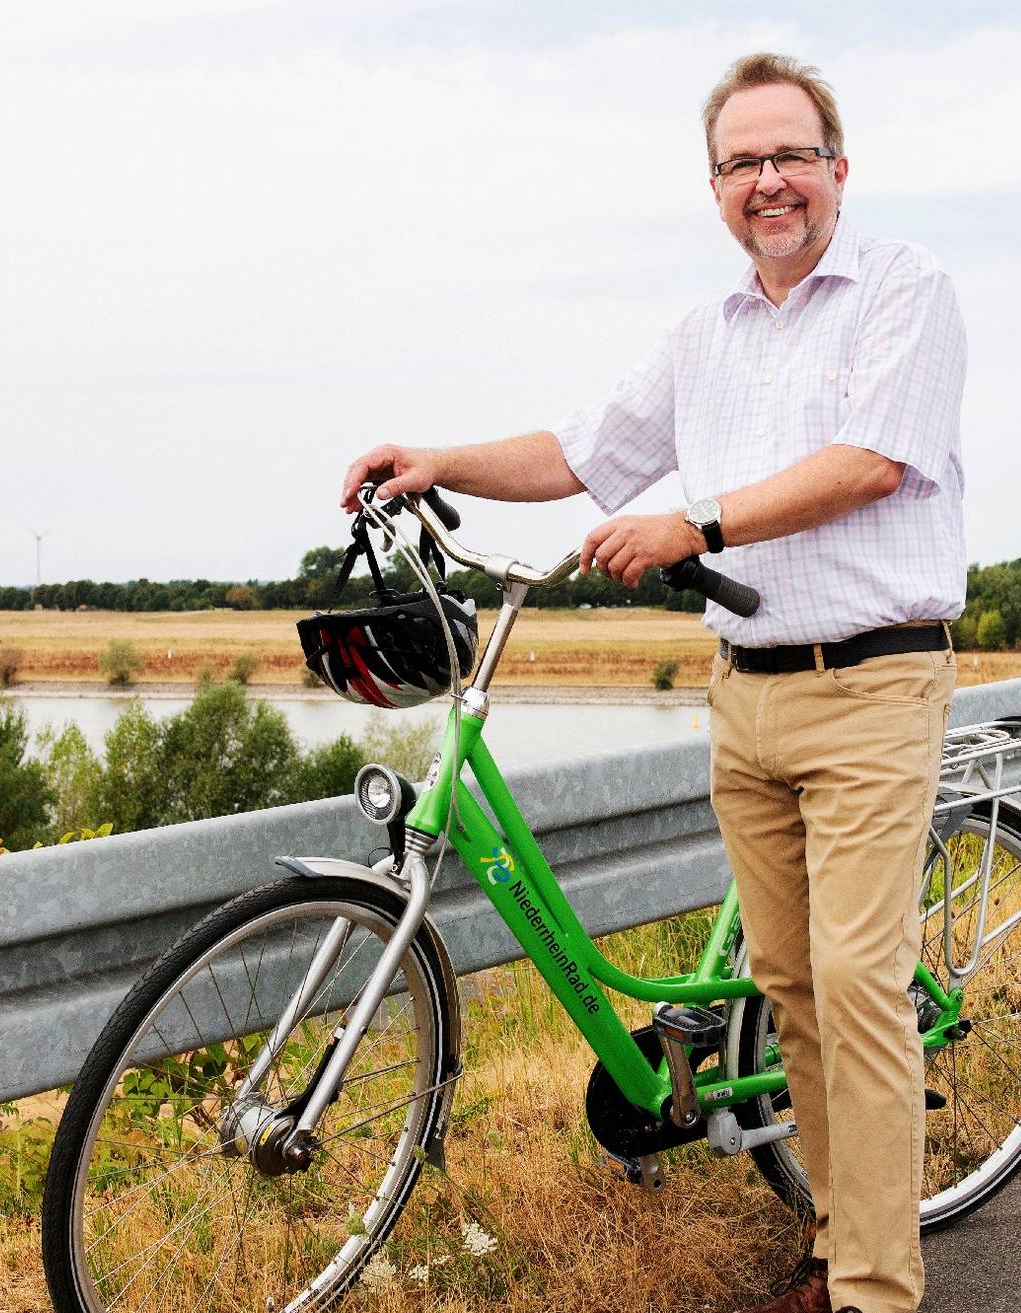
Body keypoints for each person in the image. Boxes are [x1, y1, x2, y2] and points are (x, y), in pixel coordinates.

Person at [339, 52, 965, 1313]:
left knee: (853, 983)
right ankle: (839, 1239)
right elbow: (584, 450)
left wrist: (697, 520)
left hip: (873, 688)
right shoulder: (706, 334)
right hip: (749, 693)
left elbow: (871, 463)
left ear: (839, 169)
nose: (770, 181)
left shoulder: (905, 287)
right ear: (717, 189)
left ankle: (880, 1295)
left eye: (792, 156)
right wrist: (434, 457)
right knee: (787, 988)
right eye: (743, 164)